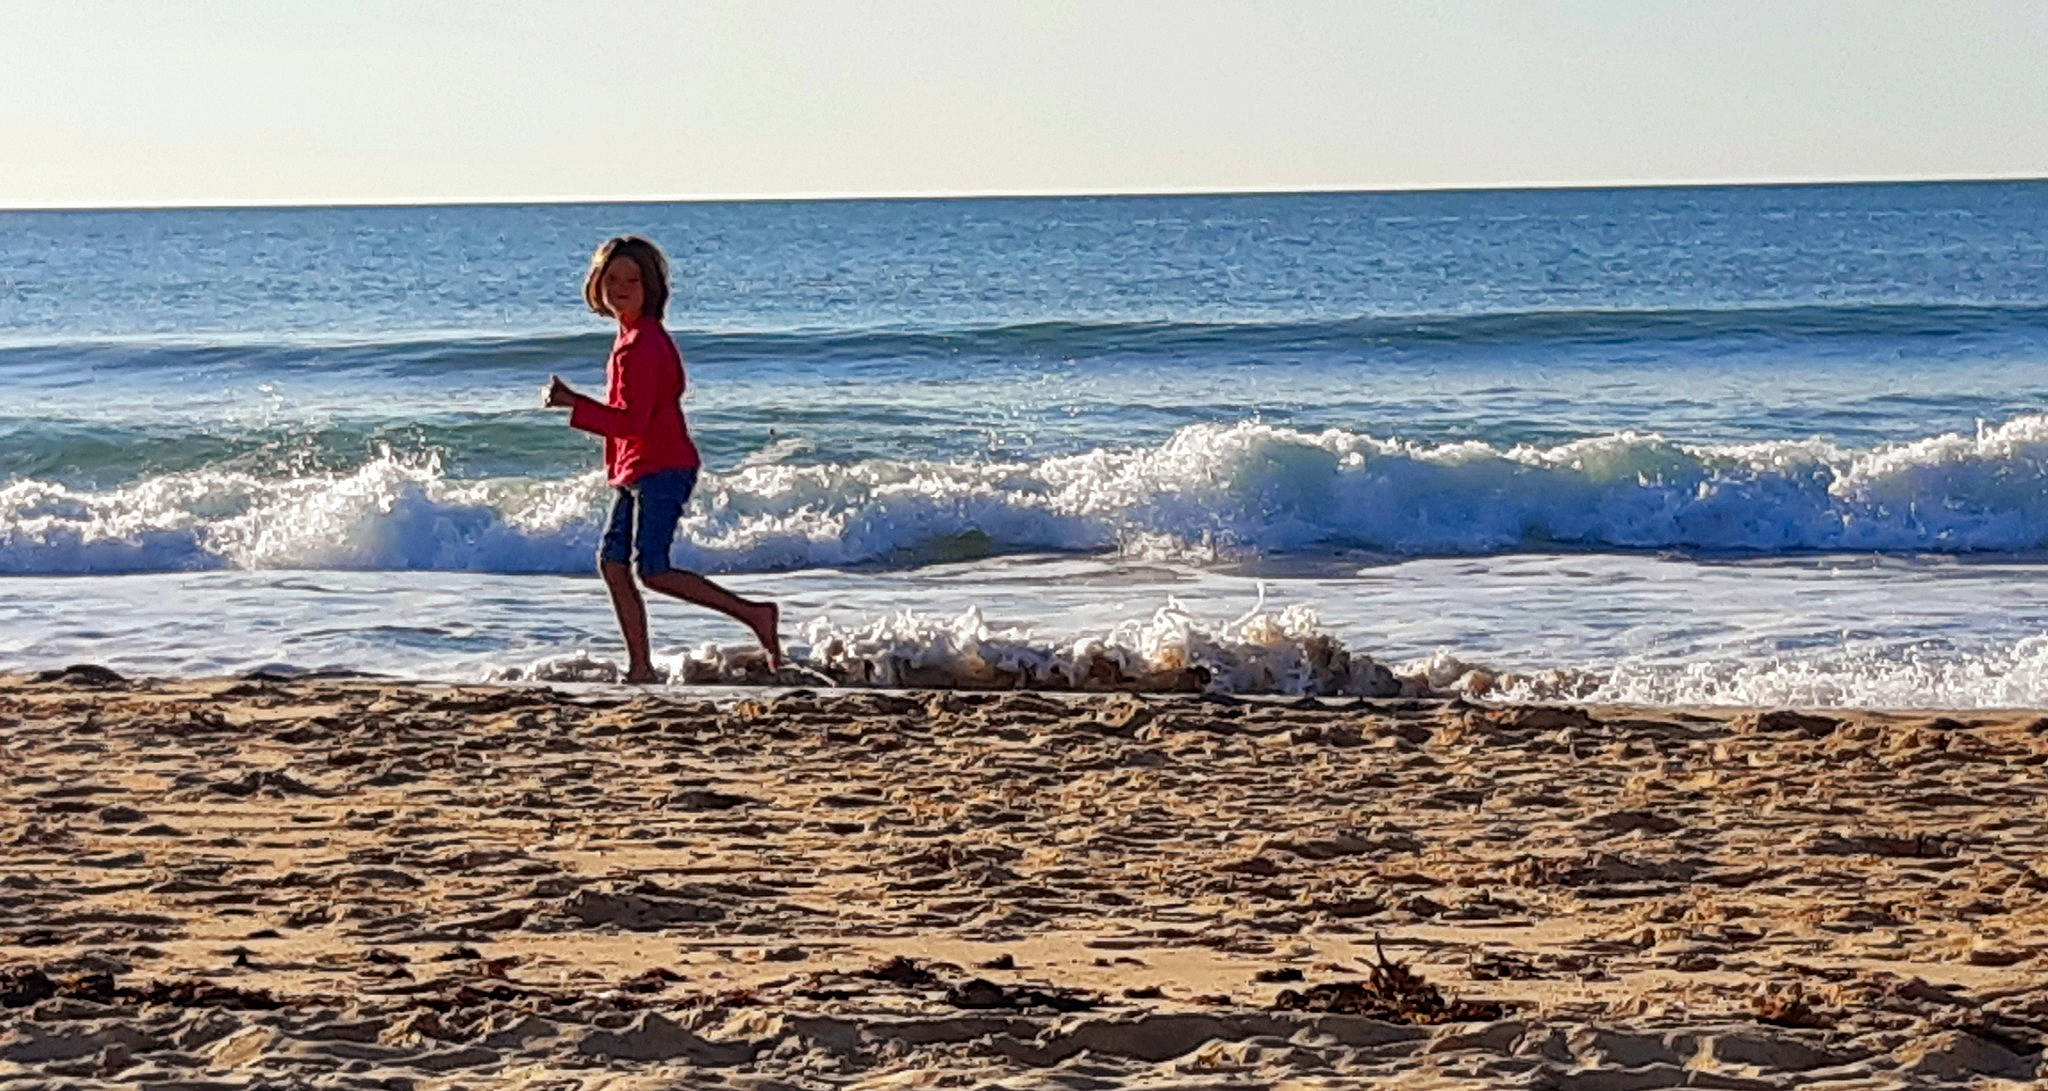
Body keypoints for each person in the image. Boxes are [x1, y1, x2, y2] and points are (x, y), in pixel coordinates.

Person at [544, 235, 780, 681]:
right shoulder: (631, 338)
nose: (620, 288)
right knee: (613, 564)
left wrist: (574, 404)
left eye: (632, 279)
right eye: (611, 279)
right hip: (637, 468)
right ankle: (640, 668)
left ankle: (754, 614)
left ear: (651, 287)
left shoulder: (642, 345)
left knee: (652, 569)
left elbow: (632, 421)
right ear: (595, 286)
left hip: (662, 467)